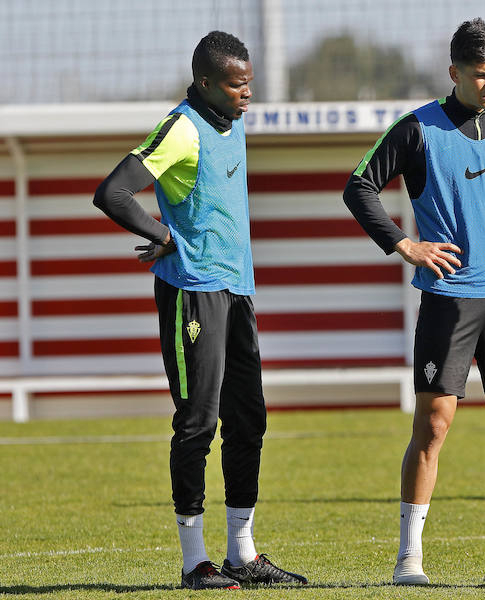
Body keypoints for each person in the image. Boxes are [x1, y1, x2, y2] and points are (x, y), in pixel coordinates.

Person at [343, 18, 485, 585]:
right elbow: (359, 186)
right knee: (435, 425)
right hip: (449, 298)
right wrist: (404, 244)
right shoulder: (417, 128)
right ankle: (408, 561)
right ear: (454, 73)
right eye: (480, 75)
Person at [93, 31, 306, 590]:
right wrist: (163, 235)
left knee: (249, 420)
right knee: (197, 422)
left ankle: (243, 554)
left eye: (250, 84)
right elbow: (113, 192)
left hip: (237, 290)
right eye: (237, 85)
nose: (247, 95)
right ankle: (194, 563)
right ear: (206, 83)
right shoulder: (182, 127)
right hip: (193, 292)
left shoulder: (228, 122)